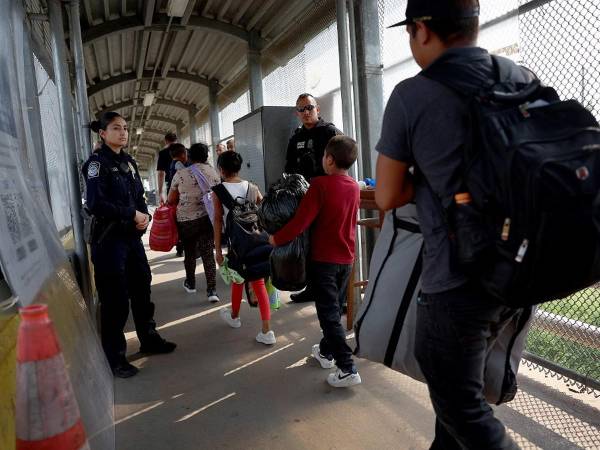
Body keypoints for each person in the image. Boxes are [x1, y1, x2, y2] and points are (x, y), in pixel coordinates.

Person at [375, 0, 527, 447]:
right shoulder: (519, 77)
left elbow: (386, 195)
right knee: (460, 391)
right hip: (522, 266)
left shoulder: (411, 94)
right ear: (474, 24)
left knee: (461, 402)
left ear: (422, 30)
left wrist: (427, 174)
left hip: (458, 277)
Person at [84, 112, 176, 378]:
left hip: (132, 239)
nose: (123, 132)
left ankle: (149, 338)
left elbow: (137, 196)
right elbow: (95, 203)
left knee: (142, 289)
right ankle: (115, 358)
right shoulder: (96, 164)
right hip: (109, 240)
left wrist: (143, 217)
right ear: (102, 133)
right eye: (116, 128)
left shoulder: (129, 162)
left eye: (125, 128)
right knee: (115, 300)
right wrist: (130, 214)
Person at [269, 136, 360, 388]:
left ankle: (347, 367)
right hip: (347, 260)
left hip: (325, 262)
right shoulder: (353, 186)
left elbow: (300, 222)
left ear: (329, 159)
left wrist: (276, 239)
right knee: (334, 310)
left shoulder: (319, 185)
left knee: (329, 316)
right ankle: (325, 352)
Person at [212, 151, 276, 345]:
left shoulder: (218, 191)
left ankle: (249, 323)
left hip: (237, 246)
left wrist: (217, 250)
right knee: (250, 281)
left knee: (240, 278)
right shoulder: (252, 187)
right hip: (258, 242)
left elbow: (217, 221)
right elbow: (265, 211)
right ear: (239, 167)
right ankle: (251, 323)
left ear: (221, 170)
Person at [284, 93, 342, 304]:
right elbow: (288, 168)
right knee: (308, 243)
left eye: (309, 108)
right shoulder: (296, 138)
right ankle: (311, 289)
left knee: (331, 244)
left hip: (329, 197)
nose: (306, 112)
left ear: (318, 109)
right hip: (305, 198)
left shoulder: (330, 132)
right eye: (302, 109)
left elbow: (344, 161)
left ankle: (339, 296)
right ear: (297, 113)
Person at [168, 143, 220, 302]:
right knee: (207, 253)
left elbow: (171, 199)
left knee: (189, 252)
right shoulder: (213, 172)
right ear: (206, 156)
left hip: (186, 219)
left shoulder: (180, 174)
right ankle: (212, 291)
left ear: (190, 156)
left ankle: (191, 283)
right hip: (207, 218)